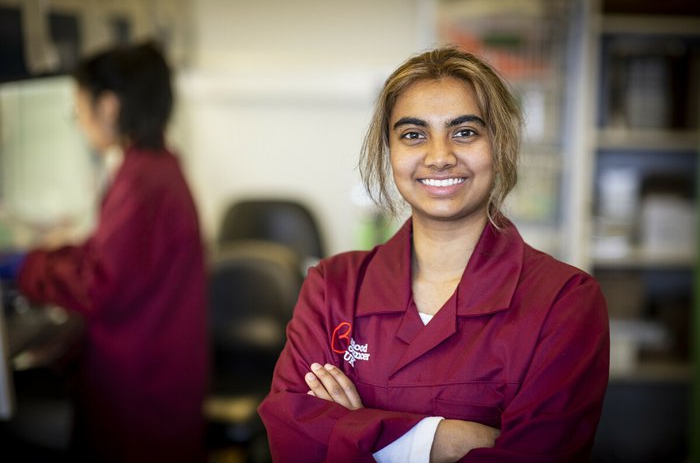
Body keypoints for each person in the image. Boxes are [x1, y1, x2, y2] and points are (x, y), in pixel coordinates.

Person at [257, 46, 609, 462]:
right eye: (413, 134)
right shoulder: (333, 287)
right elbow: (293, 439)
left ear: (499, 144)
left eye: (464, 132)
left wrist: (354, 430)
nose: (439, 157)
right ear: (389, 151)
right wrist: (437, 442)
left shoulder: (565, 301)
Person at [0, 41, 208, 462]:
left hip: (141, 387)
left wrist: (26, 267)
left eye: (78, 108)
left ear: (109, 106)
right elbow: (113, 255)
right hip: (160, 368)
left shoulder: (142, 181)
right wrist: (51, 256)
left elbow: (100, 283)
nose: (78, 121)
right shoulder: (155, 163)